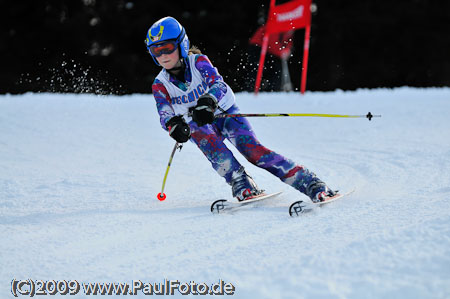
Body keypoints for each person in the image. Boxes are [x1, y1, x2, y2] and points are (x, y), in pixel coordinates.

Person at [146, 16, 335, 202]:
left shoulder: (198, 62)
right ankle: (241, 182)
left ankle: (309, 182)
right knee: (213, 148)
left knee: (253, 151)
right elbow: (165, 114)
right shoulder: (160, 84)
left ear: (182, 44)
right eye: (155, 50)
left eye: (168, 48)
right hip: (198, 123)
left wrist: (208, 101)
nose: (162, 55)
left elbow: (218, 84)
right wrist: (174, 126)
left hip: (225, 113)